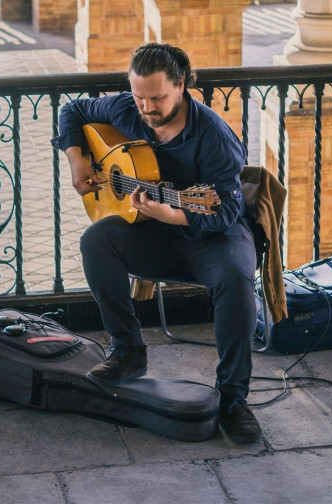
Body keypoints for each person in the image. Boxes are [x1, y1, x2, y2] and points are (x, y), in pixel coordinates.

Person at [52, 42, 261, 444]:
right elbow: (73, 110)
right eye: (139, 96)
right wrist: (77, 159)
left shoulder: (213, 134)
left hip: (211, 234)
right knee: (97, 241)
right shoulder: (126, 110)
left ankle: (234, 400)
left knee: (236, 280)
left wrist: (175, 213)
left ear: (181, 85)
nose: (146, 108)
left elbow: (226, 210)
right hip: (153, 230)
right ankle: (128, 349)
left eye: (158, 98)